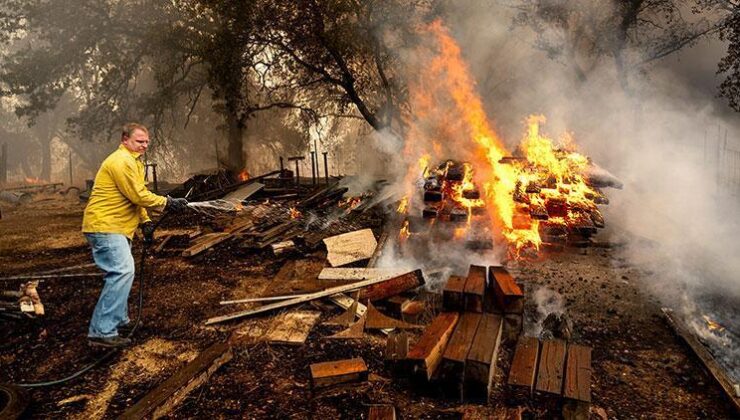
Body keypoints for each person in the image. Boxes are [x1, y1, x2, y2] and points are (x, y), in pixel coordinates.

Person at [82, 123, 188, 348]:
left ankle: (119, 321)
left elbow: (134, 197)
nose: (144, 145)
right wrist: (167, 202)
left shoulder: (134, 163)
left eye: (147, 142)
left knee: (123, 272)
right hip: (106, 225)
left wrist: (146, 222)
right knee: (122, 271)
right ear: (125, 139)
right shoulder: (121, 161)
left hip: (117, 227)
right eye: (140, 141)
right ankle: (102, 331)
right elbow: (139, 195)